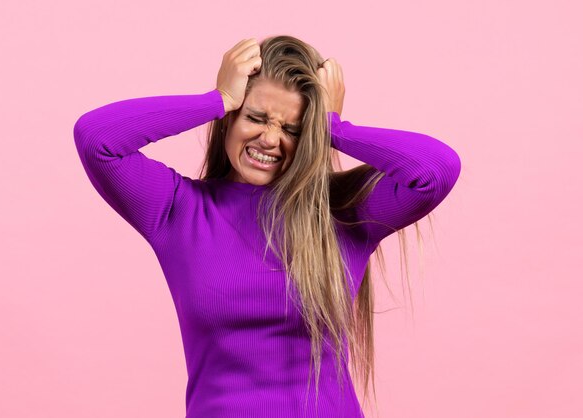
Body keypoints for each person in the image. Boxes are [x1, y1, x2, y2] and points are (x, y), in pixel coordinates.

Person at [73, 35, 461, 418]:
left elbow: (436, 170)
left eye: (292, 129)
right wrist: (216, 100)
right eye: (256, 118)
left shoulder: (341, 211)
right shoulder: (177, 209)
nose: (271, 139)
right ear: (229, 121)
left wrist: (334, 128)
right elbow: (97, 139)